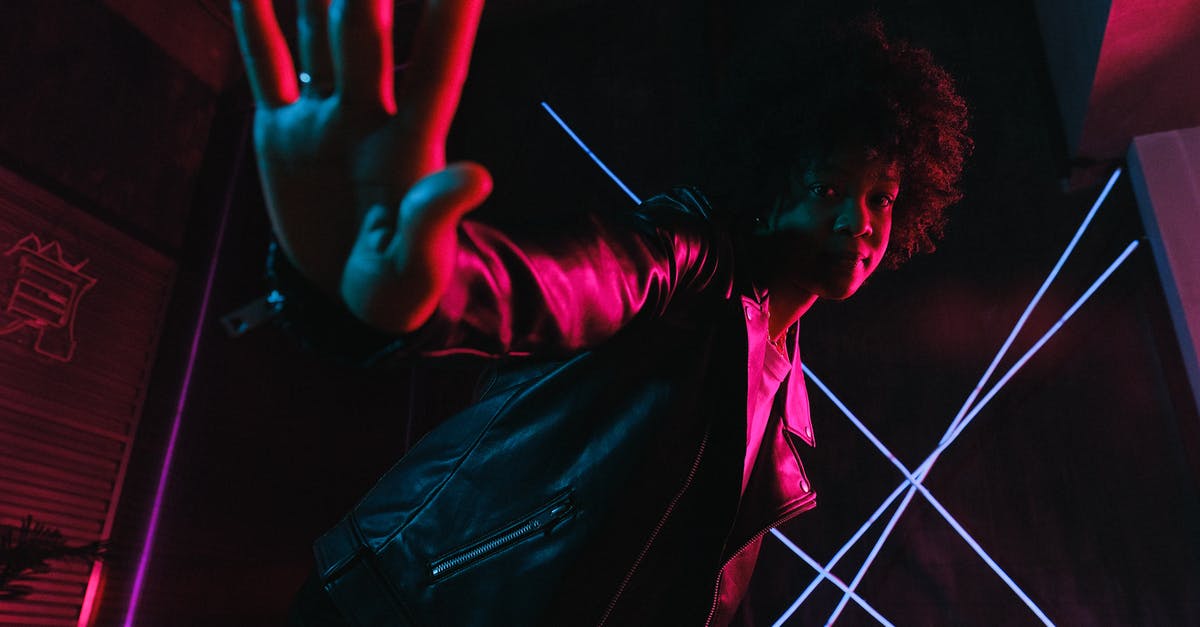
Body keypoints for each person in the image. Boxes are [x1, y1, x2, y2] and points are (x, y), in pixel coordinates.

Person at [231, 0, 971, 625]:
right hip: (407, 600)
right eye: (833, 186)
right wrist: (436, 290)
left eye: (882, 196)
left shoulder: (789, 414)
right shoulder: (692, 259)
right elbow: (579, 281)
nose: (860, 220)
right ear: (777, 182)